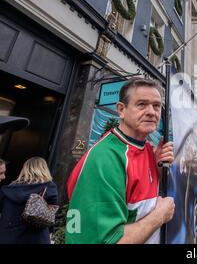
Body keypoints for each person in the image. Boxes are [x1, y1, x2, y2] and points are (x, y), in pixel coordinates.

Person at [66, 78, 175, 244]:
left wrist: (159, 167)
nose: (151, 112)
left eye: (156, 105)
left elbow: (141, 200)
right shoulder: (105, 158)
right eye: (141, 104)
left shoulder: (146, 149)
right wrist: (159, 216)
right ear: (121, 110)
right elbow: (107, 240)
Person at [0, 157, 58, 244]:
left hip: (8, 237)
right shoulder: (49, 187)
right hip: (37, 237)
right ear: (44, 169)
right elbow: (51, 212)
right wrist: (50, 231)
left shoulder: (8, 189)